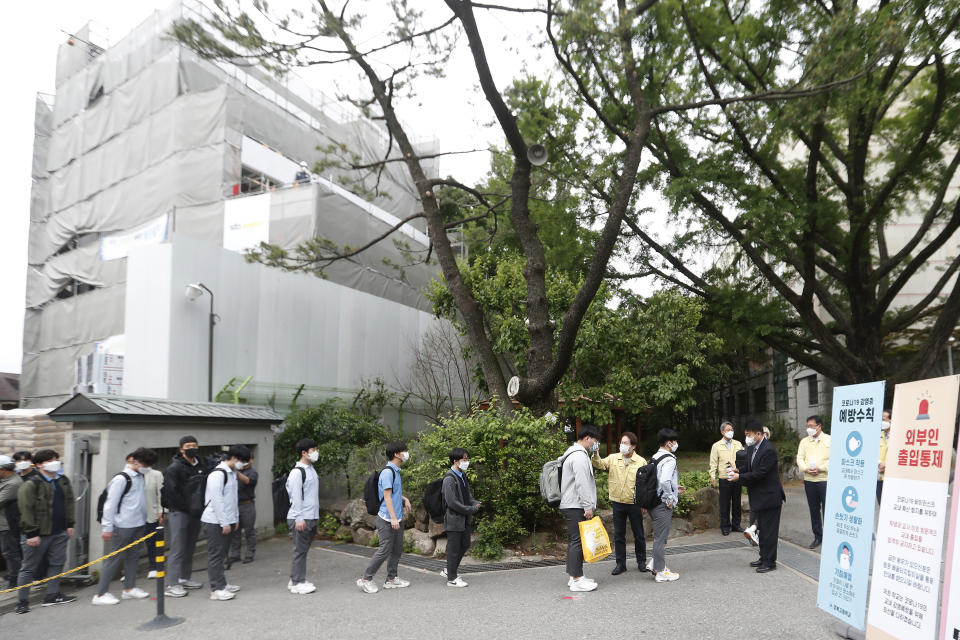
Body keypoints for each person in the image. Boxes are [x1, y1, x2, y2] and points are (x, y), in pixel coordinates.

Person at [14, 449, 78, 614]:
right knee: (28, 568)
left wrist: (70, 524)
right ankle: (22, 601)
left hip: (59, 531)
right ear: (39, 464)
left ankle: (52, 595)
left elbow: (69, 503)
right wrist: (31, 533)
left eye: (56, 459)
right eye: (51, 460)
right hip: (37, 534)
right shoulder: (31, 483)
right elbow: (25, 509)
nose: (55, 462)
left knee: (57, 564)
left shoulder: (63, 480)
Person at [92, 448, 154, 605]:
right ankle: (100, 594)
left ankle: (129, 588)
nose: (147, 467)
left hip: (138, 523)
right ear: (134, 461)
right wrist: (107, 527)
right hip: (122, 525)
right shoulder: (122, 479)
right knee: (113, 558)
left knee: (133, 557)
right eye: (145, 464)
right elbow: (110, 504)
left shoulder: (140, 476)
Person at [357, 441, 413, 594]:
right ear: (396, 454)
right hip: (387, 518)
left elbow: (393, 493)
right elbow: (387, 497)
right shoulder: (388, 472)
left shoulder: (396, 470)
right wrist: (394, 518)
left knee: (397, 549)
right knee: (384, 550)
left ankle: (391, 579)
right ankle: (365, 579)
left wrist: (404, 499)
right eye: (404, 451)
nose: (407, 453)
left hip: (396, 517)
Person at [731, 420, 785, 573]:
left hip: (770, 497)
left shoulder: (768, 450)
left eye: (749, 435)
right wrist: (738, 471)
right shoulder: (750, 448)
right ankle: (763, 557)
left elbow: (760, 474)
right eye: (746, 435)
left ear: (759, 434)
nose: (747, 438)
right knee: (760, 531)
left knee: (769, 531)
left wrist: (739, 479)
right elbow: (748, 467)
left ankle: (770, 562)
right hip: (757, 497)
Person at [591, 431, 647, 574]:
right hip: (617, 502)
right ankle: (620, 564)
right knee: (619, 534)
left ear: (633, 446)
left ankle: (641, 561)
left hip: (634, 503)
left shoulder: (641, 461)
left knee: (639, 534)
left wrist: (644, 503)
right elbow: (599, 464)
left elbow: (645, 485)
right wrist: (596, 453)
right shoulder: (613, 458)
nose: (622, 445)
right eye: (621, 442)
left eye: (626, 443)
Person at [161, 436, 209, 597]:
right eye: (188, 446)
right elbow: (171, 492)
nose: (192, 448)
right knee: (177, 548)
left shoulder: (202, 465)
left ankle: (184, 578)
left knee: (190, 546)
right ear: (181, 449)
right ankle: (172, 584)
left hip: (196, 512)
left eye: (194, 445)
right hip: (179, 512)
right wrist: (187, 507)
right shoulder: (174, 468)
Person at [202, 444, 250, 601]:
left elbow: (232, 499)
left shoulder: (232, 473)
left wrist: (234, 519)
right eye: (242, 461)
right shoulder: (218, 474)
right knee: (216, 555)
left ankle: (222, 584)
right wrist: (224, 522)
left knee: (222, 553)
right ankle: (216, 589)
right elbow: (217, 501)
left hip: (226, 520)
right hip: (214, 521)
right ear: (235, 458)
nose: (243, 465)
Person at [559, 426, 601, 592]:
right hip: (576, 504)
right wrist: (588, 507)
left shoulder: (573, 453)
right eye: (595, 442)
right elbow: (582, 484)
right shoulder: (579, 457)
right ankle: (577, 579)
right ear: (587, 438)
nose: (595, 445)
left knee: (574, 540)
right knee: (577, 541)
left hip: (571, 504)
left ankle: (573, 576)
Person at [441, 448, 481, 588]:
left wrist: (474, 503)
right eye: (464, 459)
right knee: (454, 548)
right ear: (455, 461)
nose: (467, 462)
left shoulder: (462, 475)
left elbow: (467, 496)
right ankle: (452, 578)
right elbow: (452, 502)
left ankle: (449, 570)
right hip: (454, 519)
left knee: (465, 544)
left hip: (464, 518)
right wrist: (470, 509)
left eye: (467, 459)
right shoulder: (449, 479)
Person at [650, 428, 684, 583]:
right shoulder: (669, 458)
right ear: (669, 442)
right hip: (662, 504)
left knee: (659, 537)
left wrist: (675, 489)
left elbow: (658, 480)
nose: (676, 444)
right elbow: (664, 481)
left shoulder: (655, 456)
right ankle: (661, 571)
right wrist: (670, 498)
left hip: (652, 501)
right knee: (660, 538)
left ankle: (655, 563)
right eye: (675, 441)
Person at [286, 438, 320, 595]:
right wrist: (299, 518)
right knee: (300, 550)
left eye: (316, 449)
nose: (316, 452)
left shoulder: (311, 469)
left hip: (311, 516)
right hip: (301, 517)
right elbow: (295, 497)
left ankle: (295, 578)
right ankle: (297, 582)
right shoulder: (297, 472)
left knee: (303, 550)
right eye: (313, 450)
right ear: (304, 453)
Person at [797, 415, 830, 549]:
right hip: (809, 480)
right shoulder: (804, 441)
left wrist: (821, 468)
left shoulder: (829, 439)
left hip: (825, 479)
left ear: (819, 426)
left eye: (811, 426)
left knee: (828, 509)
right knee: (814, 509)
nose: (809, 429)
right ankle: (818, 536)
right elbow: (799, 458)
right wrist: (805, 469)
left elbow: (834, 458)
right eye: (807, 426)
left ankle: (829, 536)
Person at [709, 421, 744, 535]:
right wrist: (712, 476)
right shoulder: (717, 446)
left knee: (737, 502)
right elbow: (713, 462)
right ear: (722, 432)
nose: (731, 432)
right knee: (724, 503)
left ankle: (736, 525)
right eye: (728, 430)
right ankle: (725, 526)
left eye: (732, 430)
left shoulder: (738, 444)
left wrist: (742, 472)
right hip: (724, 477)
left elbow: (743, 459)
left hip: (737, 476)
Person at [227, 451, 258, 569]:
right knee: (235, 531)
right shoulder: (233, 471)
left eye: (247, 459)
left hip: (247, 505)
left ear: (251, 460)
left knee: (249, 531)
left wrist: (236, 472)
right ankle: (235, 554)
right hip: (235, 505)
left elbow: (248, 481)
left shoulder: (252, 472)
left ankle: (250, 553)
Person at [0, 454, 24, 588]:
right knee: (8, 552)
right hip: (3, 523)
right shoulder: (5, 480)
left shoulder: (13, 483)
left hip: (7, 524)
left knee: (10, 552)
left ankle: (14, 581)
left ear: (3, 470)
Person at [140, 449, 164, 580]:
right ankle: (128, 571)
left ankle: (153, 567)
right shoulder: (130, 474)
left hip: (151, 513)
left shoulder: (156, 474)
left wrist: (161, 511)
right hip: (133, 516)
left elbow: (160, 494)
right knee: (132, 545)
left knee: (151, 542)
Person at [877, 409, 891, 504]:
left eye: (884, 419)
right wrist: (879, 464)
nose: (882, 422)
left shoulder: (898, 436)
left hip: (891, 477)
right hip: (879, 476)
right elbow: (872, 453)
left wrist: (887, 465)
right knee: (881, 503)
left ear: (891, 420)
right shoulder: (878, 436)